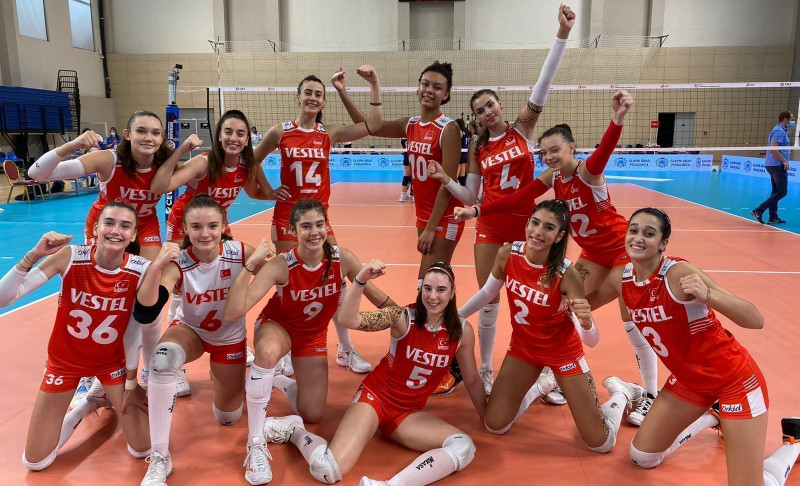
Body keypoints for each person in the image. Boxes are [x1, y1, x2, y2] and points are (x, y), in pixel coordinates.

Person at [453, 90, 660, 424]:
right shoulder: (553, 177)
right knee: (567, 307)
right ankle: (557, 370)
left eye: (555, 150)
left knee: (631, 317)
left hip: (623, 252)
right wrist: (478, 210)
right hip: (593, 255)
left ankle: (650, 394)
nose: (549, 157)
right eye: (544, 152)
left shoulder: (588, 172)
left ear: (572, 148)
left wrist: (618, 119)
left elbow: (604, 151)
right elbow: (520, 197)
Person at [587, 207, 800, 486]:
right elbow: (584, 304)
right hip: (689, 382)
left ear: (663, 243)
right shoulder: (621, 278)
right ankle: (715, 414)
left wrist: (707, 294)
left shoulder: (678, 273)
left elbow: (755, 319)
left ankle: (794, 442)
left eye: (649, 233)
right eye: (633, 230)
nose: (638, 238)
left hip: (734, 381)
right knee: (642, 455)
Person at [429, 3, 574, 398]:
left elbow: (543, 83)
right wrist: (447, 180)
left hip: (529, 227)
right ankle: (487, 368)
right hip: (491, 226)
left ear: (500, 105)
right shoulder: (478, 148)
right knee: (490, 300)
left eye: (491, 105)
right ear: (476, 117)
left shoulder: (523, 130)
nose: (487, 112)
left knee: (540, 301)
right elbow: (471, 196)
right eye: (480, 110)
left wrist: (561, 35)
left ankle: (549, 368)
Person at [262, 260, 484, 486]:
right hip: (375, 399)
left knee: (463, 445)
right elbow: (347, 319)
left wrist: (485, 416)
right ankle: (293, 430)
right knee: (327, 469)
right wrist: (360, 280)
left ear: (452, 292)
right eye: (427, 288)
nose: (433, 296)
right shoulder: (402, 317)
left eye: (441, 290)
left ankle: (391, 485)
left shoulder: (461, 331)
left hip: (407, 413)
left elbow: (472, 379)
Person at [223, 199, 396, 485]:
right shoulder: (281, 265)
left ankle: (278, 381)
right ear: (293, 231)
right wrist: (250, 266)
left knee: (313, 414)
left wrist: (408, 317)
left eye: (319, 225)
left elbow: (377, 297)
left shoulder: (344, 259)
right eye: (306, 226)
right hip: (278, 326)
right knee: (267, 354)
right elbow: (233, 312)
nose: (314, 232)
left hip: (312, 335)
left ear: (327, 226)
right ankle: (256, 443)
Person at [458, 199, 641, 456]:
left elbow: (591, 340)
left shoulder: (567, 274)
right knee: (494, 425)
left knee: (601, 443)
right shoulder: (508, 254)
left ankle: (621, 394)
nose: (538, 232)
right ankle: (543, 384)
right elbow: (488, 293)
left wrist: (587, 322)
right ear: (527, 223)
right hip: (523, 349)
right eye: (535, 223)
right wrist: (457, 316)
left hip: (563, 354)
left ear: (559, 236)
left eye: (548, 227)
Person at [28, 110, 183, 406]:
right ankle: (86, 373)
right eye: (141, 131)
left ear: (162, 138)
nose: (148, 137)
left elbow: (205, 172)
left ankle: (152, 370)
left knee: (149, 300)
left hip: (144, 226)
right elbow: (37, 174)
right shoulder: (108, 160)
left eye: (155, 132)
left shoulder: (165, 164)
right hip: (106, 226)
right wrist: (73, 145)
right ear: (128, 134)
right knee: (94, 297)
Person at [339, 60, 469, 395]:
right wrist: (345, 92)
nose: (429, 90)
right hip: (425, 218)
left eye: (437, 87)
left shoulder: (448, 128)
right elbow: (369, 126)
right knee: (432, 289)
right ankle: (437, 354)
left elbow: (447, 184)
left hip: (444, 219)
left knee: (432, 288)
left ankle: (451, 363)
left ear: (446, 94)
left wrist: (431, 228)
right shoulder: (411, 124)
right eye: (425, 84)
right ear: (418, 86)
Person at [0, 201, 160, 471]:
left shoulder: (142, 269)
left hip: (112, 365)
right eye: (109, 223)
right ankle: (89, 402)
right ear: (95, 228)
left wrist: (134, 381)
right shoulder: (71, 256)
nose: (115, 231)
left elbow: (138, 330)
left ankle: (101, 390)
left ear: (134, 235)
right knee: (35, 462)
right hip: (63, 363)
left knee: (141, 448)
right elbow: (3, 298)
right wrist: (33, 255)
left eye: (125, 226)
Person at [252, 66, 384, 375]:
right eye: (308, 93)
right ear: (298, 97)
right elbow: (253, 160)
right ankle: (285, 347)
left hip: (320, 220)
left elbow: (373, 124)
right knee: (290, 283)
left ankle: (345, 349)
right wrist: (268, 190)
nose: (313, 98)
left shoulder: (329, 133)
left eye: (319, 95)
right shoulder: (280, 131)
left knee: (336, 281)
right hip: (287, 218)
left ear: (323, 102)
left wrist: (349, 89)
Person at [139, 195, 276, 486]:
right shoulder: (179, 262)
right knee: (161, 361)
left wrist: (267, 260)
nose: (205, 234)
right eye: (196, 227)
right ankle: (160, 456)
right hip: (191, 331)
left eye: (212, 226)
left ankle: (231, 374)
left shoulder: (241, 252)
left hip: (230, 339)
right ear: (185, 229)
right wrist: (157, 266)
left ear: (224, 226)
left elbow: (276, 276)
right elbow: (149, 308)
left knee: (228, 417)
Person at [751, 111, 794, 225]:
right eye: (791, 120)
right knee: (782, 192)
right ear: (785, 120)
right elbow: (773, 149)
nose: (793, 122)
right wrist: (784, 160)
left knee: (776, 191)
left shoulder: (779, 130)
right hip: (777, 165)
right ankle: (759, 210)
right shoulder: (779, 131)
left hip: (773, 165)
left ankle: (773, 217)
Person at [398, 137, 413, 202]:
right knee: (414, 176)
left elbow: (403, 148)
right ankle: (414, 195)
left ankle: (403, 195)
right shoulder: (414, 135)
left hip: (406, 157)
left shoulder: (401, 137)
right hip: (414, 157)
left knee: (406, 176)